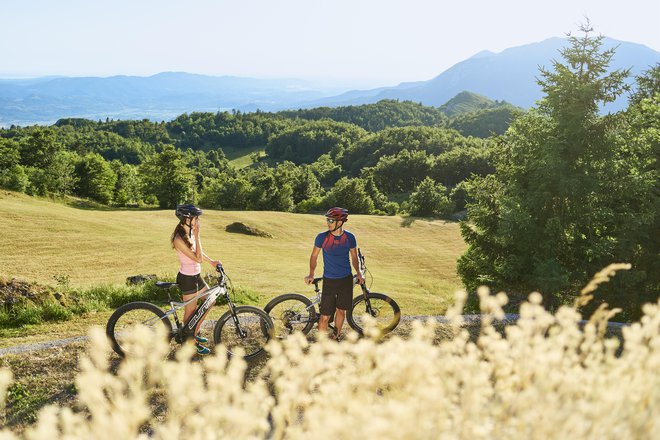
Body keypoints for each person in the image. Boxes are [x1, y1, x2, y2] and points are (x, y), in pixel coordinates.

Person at [304, 207, 364, 340]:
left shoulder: (350, 237)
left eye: (331, 220)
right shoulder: (322, 237)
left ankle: (336, 335)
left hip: (345, 280)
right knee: (325, 316)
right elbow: (314, 256)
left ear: (340, 222)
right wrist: (311, 273)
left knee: (341, 310)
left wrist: (359, 272)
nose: (328, 222)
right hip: (329, 280)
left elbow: (354, 257)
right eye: (327, 220)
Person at [171, 204, 222, 355]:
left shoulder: (190, 233)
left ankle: (194, 333)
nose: (198, 220)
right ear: (186, 219)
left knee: (210, 301)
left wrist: (212, 261)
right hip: (187, 278)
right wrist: (198, 234)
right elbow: (197, 258)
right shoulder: (178, 239)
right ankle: (189, 342)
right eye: (195, 218)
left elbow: (198, 252)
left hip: (196, 276)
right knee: (191, 311)